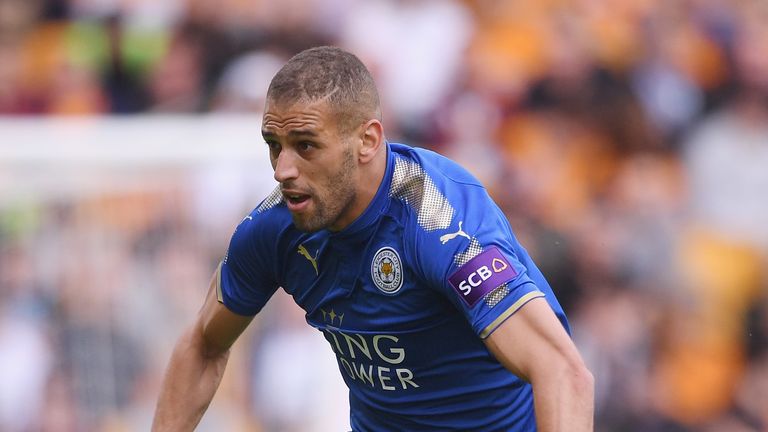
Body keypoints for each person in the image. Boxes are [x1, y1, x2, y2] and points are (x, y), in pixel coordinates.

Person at [152, 46, 594, 431]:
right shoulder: (273, 228)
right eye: (274, 144)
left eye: (306, 145)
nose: (282, 169)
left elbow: (560, 368)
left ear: (367, 140)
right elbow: (203, 346)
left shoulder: (440, 222)